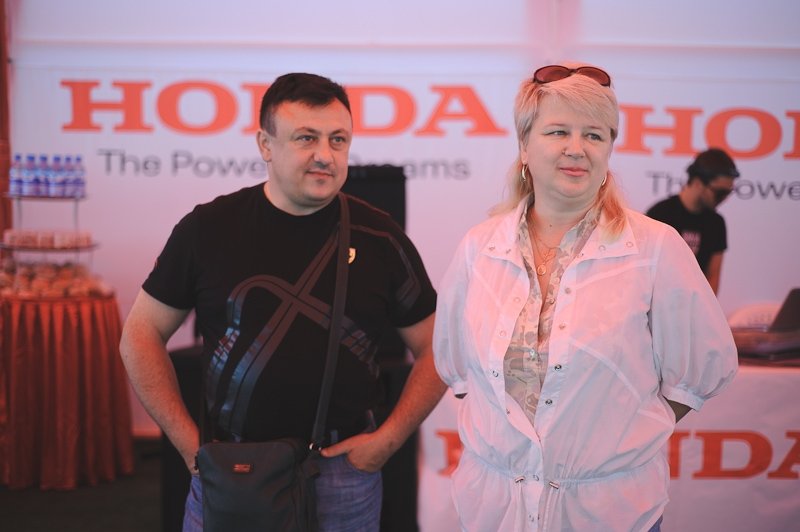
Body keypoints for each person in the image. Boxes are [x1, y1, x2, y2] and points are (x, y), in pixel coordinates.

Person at [119, 72, 446, 531]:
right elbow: (140, 335)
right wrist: (187, 443)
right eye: (306, 138)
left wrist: (386, 442)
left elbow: (439, 348)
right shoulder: (208, 229)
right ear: (265, 145)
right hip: (231, 467)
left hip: (343, 471)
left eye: (338, 140)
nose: (324, 155)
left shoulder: (381, 237)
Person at [432, 64, 738, 531]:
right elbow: (460, 371)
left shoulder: (656, 247)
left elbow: (700, 371)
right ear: (524, 145)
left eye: (594, 135)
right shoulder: (479, 247)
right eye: (558, 131)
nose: (577, 148)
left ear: (609, 149)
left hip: (610, 512)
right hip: (496, 509)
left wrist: (618, 441)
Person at [646, 148, 740, 294]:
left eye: (728, 193)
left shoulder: (716, 223)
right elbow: (644, 270)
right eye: (720, 193)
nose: (725, 199)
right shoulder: (660, 214)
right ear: (697, 183)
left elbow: (713, 277)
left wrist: (706, 307)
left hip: (695, 303)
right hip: (658, 300)